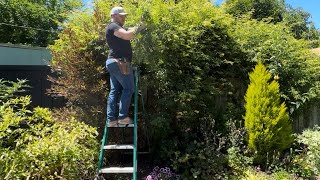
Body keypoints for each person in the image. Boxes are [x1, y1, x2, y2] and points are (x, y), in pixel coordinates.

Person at [105, 7, 144, 127]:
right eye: (121, 15)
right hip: (120, 63)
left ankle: (111, 120)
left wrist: (141, 25)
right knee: (128, 89)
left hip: (113, 63)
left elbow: (130, 30)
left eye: (124, 15)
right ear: (114, 15)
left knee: (114, 91)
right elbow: (127, 35)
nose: (124, 17)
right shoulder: (113, 26)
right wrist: (140, 28)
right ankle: (122, 117)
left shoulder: (119, 28)